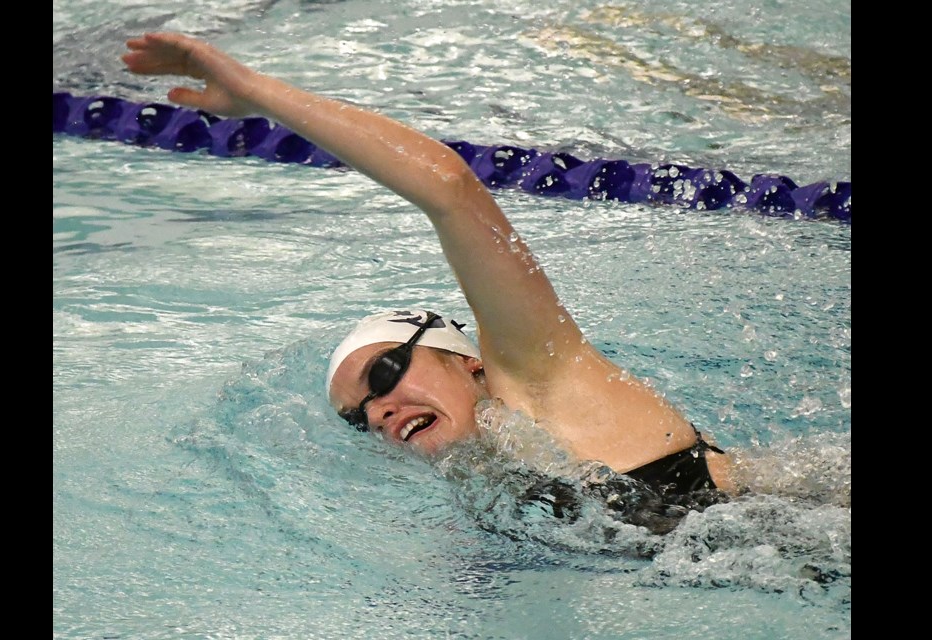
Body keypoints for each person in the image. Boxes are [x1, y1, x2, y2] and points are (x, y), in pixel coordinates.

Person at [122, 33, 737, 504]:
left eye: (384, 373)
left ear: (469, 362)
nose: (379, 411)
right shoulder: (491, 479)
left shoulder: (545, 381)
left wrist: (257, 93)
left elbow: (450, 188)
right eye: (358, 418)